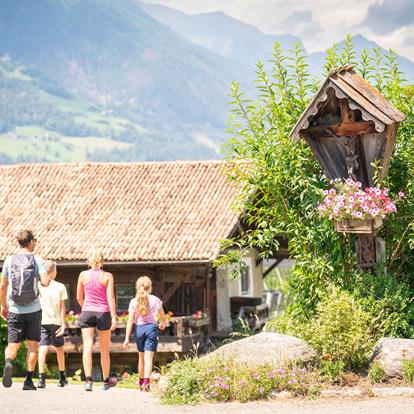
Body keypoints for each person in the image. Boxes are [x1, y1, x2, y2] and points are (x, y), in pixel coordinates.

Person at [0, 230, 49, 390]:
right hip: (34, 309)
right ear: (31, 242)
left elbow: (2, 286)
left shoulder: (9, 261)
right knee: (33, 346)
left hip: (15, 309)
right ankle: (28, 381)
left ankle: (8, 362)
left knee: (13, 344)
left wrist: (3, 306)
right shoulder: (36, 260)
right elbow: (46, 281)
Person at [76, 250, 117, 391]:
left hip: (87, 311)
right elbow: (111, 298)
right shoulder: (107, 276)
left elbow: (78, 297)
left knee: (87, 346)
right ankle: (106, 381)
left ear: (89, 260)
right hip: (103, 313)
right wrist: (114, 317)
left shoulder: (82, 275)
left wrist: (86, 308)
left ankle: (88, 381)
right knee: (104, 349)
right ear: (102, 261)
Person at [123, 276, 166, 391]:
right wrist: (163, 323)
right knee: (149, 358)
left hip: (139, 329)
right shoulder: (156, 300)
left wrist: (126, 338)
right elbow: (163, 317)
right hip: (151, 328)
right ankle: (146, 382)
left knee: (141, 357)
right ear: (150, 287)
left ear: (137, 287)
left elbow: (130, 321)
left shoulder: (133, 301)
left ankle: (141, 381)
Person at [37, 260, 68, 388]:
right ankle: (62, 378)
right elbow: (62, 307)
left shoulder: (38, 285)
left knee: (42, 348)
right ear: (54, 272)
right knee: (59, 349)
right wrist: (63, 323)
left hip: (41, 321)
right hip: (55, 322)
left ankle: (41, 379)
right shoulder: (60, 286)